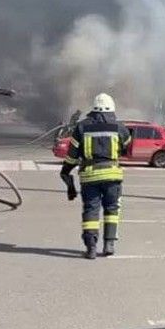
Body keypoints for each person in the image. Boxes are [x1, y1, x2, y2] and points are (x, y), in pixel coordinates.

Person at [60, 93, 131, 260]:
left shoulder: (82, 127)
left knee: (91, 210)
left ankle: (91, 247)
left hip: (90, 176)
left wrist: (66, 171)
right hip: (112, 174)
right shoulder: (119, 127)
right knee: (112, 209)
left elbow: (72, 155)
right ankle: (109, 244)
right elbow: (127, 147)